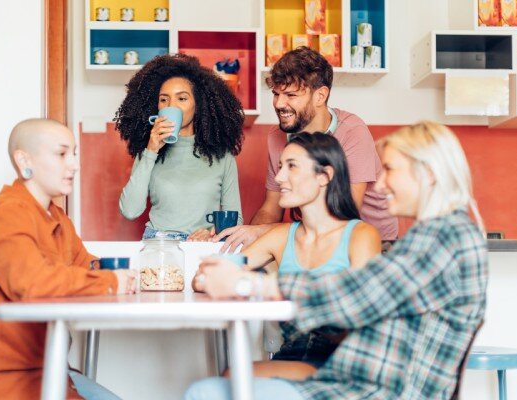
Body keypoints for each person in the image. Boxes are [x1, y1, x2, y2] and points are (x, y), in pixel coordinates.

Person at [186, 121, 488, 400]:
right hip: (359, 381)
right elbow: (367, 292)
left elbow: (358, 294)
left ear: (429, 172)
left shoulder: (444, 237)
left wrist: (247, 282)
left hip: (378, 391)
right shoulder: (441, 234)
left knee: (208, 393)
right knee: (211, 389)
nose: (379, 186)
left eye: (390, 170)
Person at [0, 119, 137, 400]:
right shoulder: (7, 213)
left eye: (74, 154)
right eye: (62, 154)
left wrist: (131, 275)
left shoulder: (56, 217)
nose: (74, 164)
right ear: (24, 160)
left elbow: (85, 264)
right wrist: (109, 282)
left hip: (51, 370)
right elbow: (32, 282)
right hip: (2, 379)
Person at [194, 132, 381, 380]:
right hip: (293, 353)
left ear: (324, 175)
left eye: (291, 166)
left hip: (343, 359)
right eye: (280, 167)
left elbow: (364, 316)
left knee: (229, 380)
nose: (279, 177)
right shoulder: (281, 236)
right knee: (228, 378)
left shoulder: (361, 235)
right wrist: (208, 269)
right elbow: (205, 278)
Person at [213, 46, 397, 251]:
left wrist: (265, 232)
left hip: (373, 241)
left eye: (291, 95)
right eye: (276, 93)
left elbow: (344, 214)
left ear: (320, 96)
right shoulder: (277, 136)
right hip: (312, 235)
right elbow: (271, 207)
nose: (279, 103)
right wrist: (246, 240)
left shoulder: (353, 131)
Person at [115, 54, 245, 241]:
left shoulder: (222, 157)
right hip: (159, 244)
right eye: (164, 100)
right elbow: (130, 210)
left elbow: (235, 219)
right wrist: (151, 150)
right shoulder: (149, 152)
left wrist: (210, 234)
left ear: (198, 106)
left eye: (182, 99)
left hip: (202, 247)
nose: (171, 106)